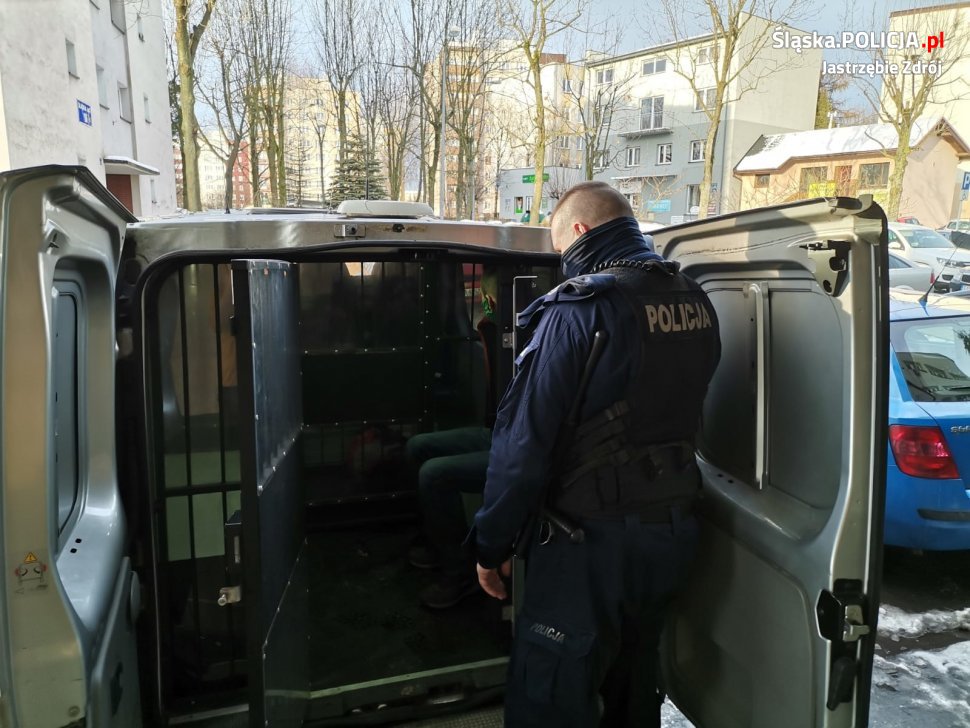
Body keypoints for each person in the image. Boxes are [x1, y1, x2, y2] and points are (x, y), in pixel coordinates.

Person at [467, 181, 721, 726]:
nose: (565, 262)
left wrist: (491, 543)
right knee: (635, 678)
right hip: (673, 528)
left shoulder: (580, 308)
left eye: (563, 250)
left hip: (591, 541)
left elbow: (522, 447)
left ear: (580, 231)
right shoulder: (694, 298)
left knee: (551, 692)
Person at [405, 268, 500, 610]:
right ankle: (440, 541)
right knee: (418, 447)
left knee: (434, 473)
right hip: (502, 432)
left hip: (521, 447)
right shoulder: (493, 333)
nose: (488, 302)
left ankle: (460, 574)